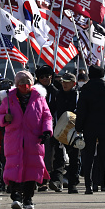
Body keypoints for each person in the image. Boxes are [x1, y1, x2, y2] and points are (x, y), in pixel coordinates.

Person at [0, 70, 53, 209]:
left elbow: (47, 116)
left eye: (27, 82)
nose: (25, 85)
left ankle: (28, 197)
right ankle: (16, 196)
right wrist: (4, 119)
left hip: (33, 140)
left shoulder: (39, 98)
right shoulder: (8, 99)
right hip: (14, 140)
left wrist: (47, 131)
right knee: (14, 168)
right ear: (16, 84)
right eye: (21, 82)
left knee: (32, 169)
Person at [75, 66, 105, 195]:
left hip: (90, 125)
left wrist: (78, 127)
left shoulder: (86, 89)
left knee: (89, 156)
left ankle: (88, 185)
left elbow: (81, 110)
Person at [53, 72, 82, 194]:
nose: (64, 84)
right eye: (63, 81)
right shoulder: (57, 94)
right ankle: (57, 182)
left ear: (73, 83)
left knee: (74, 157)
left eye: (67, 82)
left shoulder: (77, 95)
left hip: (73, 130)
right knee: (58, 157)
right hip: (59, 129)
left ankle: (72, 184)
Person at [34, 64, 61, 192]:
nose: (45, 79)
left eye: (48, 76)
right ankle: (37, 179)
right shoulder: (34, 92)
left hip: (51, 127)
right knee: (36, 155)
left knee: (51, 155)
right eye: (42, 77)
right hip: (35, 127)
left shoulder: (56, 92)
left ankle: (49, 180)